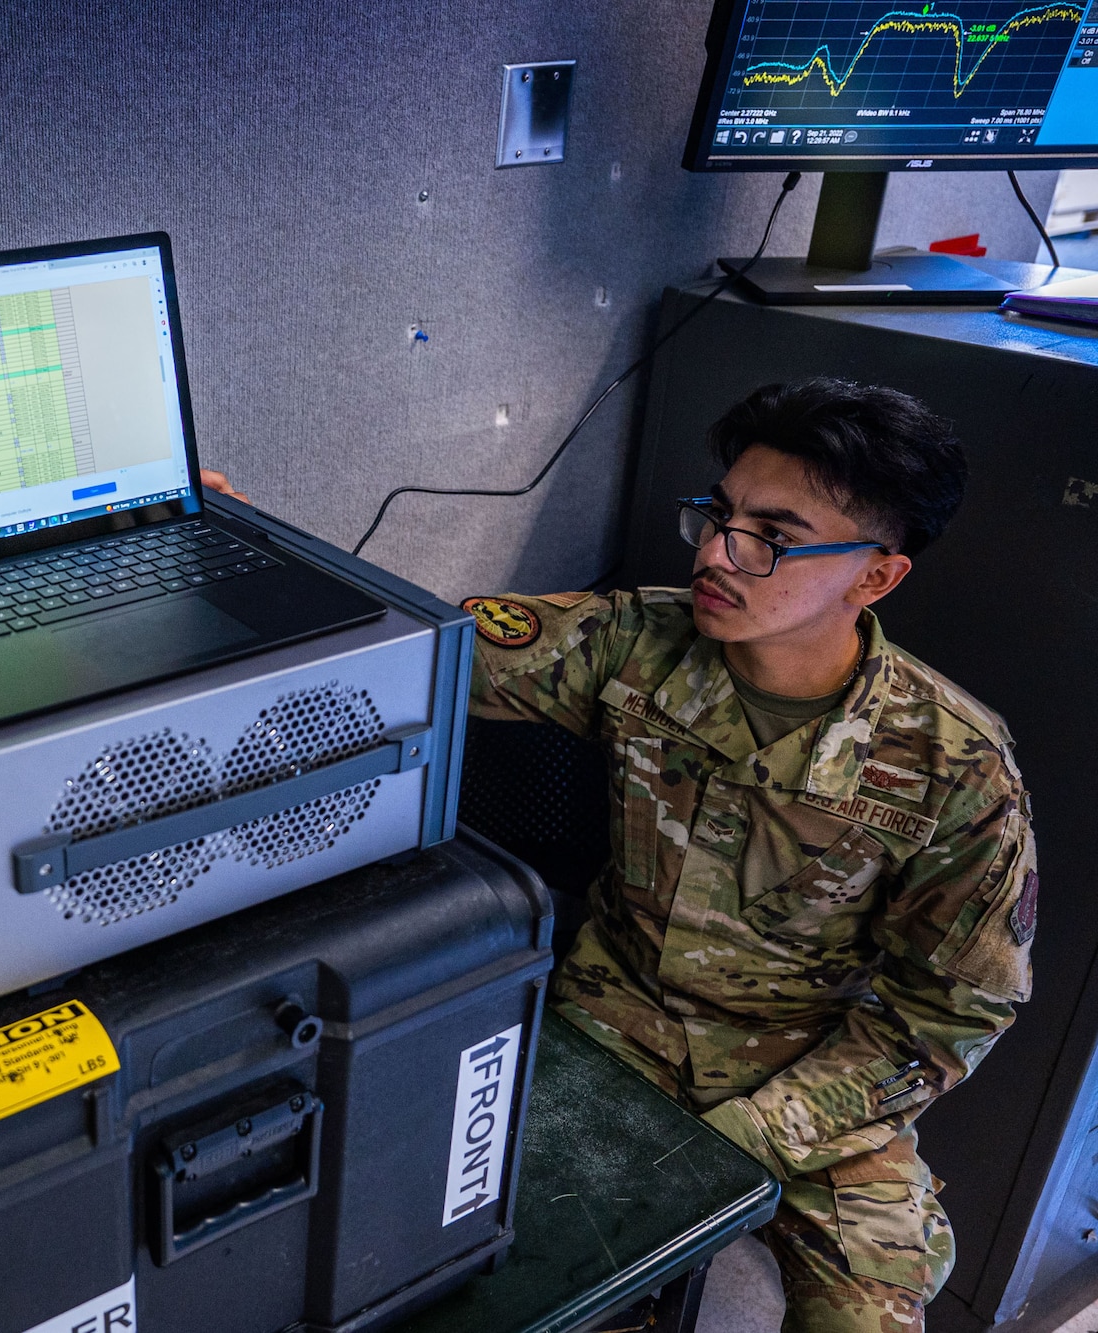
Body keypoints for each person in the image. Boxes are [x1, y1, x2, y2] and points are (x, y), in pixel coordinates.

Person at [202, 379, 1036, 1333]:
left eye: (772, 534)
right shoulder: (638, 640)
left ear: (875, 577)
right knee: (487, 1274)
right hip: (606, 1028)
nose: (720, 552)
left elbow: (955, 1012)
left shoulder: (954, 763)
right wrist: (244, 537)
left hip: (813, 1081)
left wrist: (758, 1133)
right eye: (719, 514)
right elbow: (419, 644)